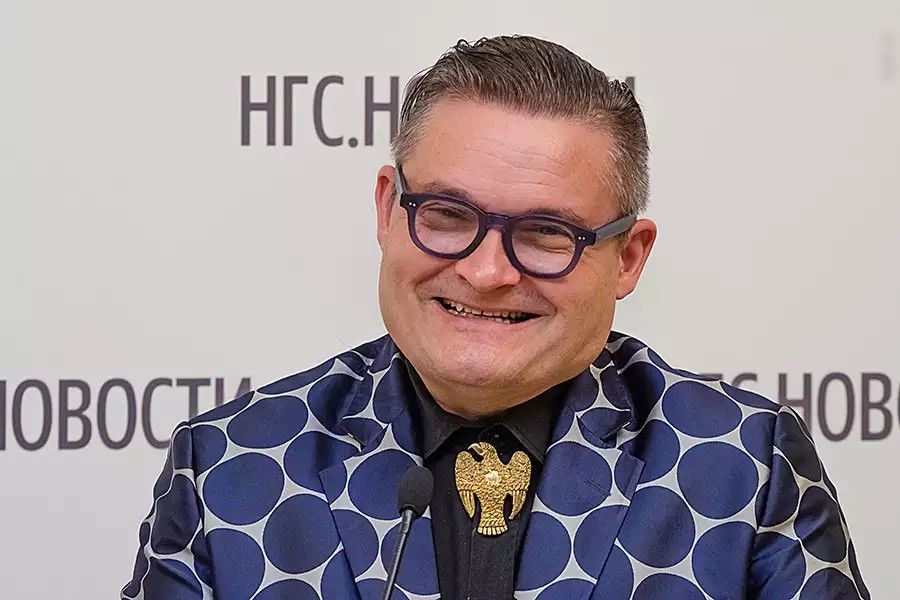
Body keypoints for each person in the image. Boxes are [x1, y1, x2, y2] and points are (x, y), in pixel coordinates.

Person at [122, 35, 868, 600]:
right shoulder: (227, 469)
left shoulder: (743, 467)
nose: (485, 273)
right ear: (387, 211)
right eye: (447, 216)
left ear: (629, 258)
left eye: (546, 234)